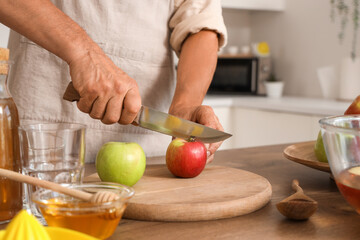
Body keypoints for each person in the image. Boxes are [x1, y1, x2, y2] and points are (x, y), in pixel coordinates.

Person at [0, 0, 228, 163]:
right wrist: (84, 55)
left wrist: (185, 106)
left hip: (149, 156)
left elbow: (201, 22)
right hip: (42, 142)